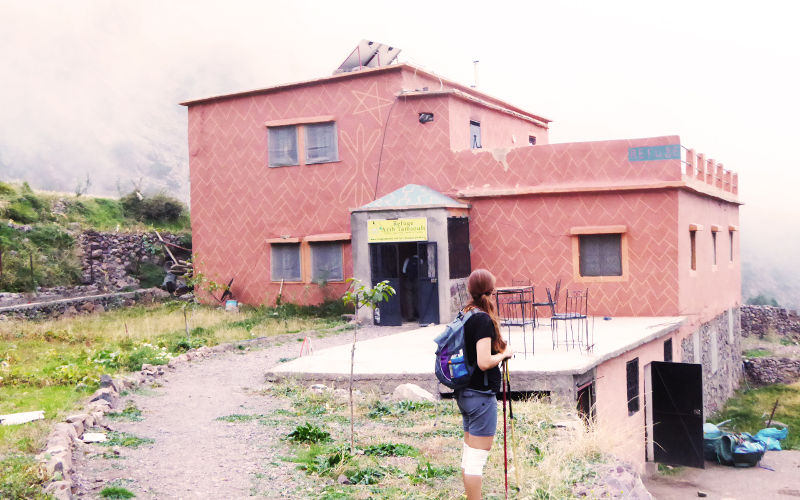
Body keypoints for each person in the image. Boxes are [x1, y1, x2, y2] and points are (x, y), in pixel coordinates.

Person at [457, 268, 513, 499]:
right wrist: (504, 355)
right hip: (480, 396)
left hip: (466, 394)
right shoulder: (482, 319)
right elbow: (483, 362)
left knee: (470, 454)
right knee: (476, 460)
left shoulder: (466, 314)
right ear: (491, 291)